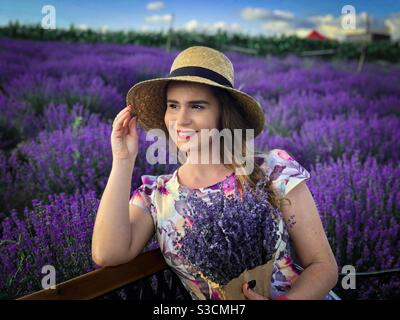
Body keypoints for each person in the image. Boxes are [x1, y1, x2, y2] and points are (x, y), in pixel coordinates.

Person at [92, 46, 340, 300]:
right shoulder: (157, 196)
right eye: (173, 106)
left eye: (197, 106)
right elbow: (106, 253)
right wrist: (123, 160)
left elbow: (323, 265)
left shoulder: (273, 171)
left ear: (223, 114)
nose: (181, 119)